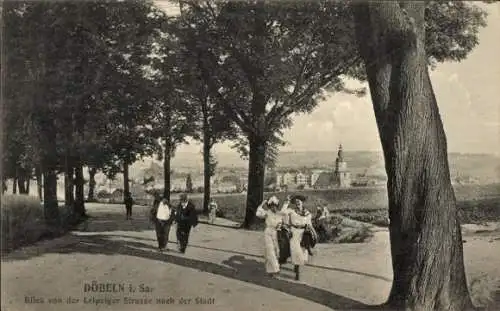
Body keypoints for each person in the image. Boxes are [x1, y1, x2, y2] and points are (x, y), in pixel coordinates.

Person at [283, 194, 315, 281]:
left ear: (302, 202)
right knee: (296, 252)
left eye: (299, 201)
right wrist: (286, 202)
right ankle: (297, 270)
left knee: (303, 253)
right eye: (296, 202)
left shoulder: (307, 213)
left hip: (304, 234)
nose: (297, 203)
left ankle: (297, 266)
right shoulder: (291, 211)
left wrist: (313, 233)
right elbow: (283, 212)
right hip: (294, 232)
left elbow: (310, 224)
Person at [255, 195, 285, 277]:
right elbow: (258, 213)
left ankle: (271, 270)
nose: (273, 208)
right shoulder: (267, 213)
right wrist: (262, 204)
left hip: (277, 233)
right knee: (269, 250)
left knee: (277, 251)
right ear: (269, 206)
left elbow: (285, 213)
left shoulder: (279, 213)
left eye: (275, 206)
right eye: (271, 206)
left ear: (277, 206)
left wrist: (287, 202)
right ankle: (275, 269)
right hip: (268, 232)